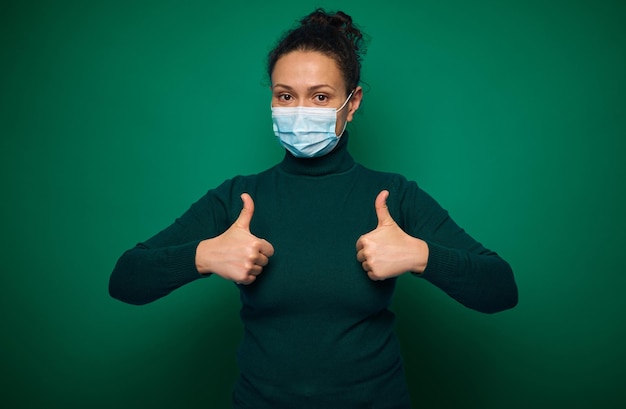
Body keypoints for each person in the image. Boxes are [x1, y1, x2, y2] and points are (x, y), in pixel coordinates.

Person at [109, 8, 518, 408]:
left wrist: (421, 255)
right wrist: (201, 256)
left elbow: (501, 288)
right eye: (285, 96)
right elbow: (126, 279)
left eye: (320, 96)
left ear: (352, 103)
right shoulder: (238, 199)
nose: (300, 111)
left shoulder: (393, 197)